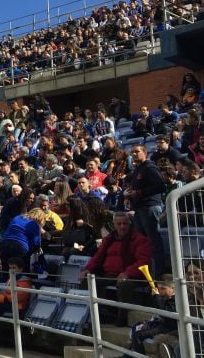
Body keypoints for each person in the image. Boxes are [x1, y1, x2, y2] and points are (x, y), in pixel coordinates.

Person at [79, 212, 151, 326]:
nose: (122, 226)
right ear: (114, 225)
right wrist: (87, 269)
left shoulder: (139, 239)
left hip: (132, 277)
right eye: (119, 224)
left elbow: (143, 261)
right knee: (87, 280)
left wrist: (127, 273)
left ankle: (121, 319)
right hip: (108, 274)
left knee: (124, 285)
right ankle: (92, 316)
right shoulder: (109, 239)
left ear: (129, 224)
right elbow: (97, 256)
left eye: (125, 223)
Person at [125, 145, 166, 278]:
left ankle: (158, 274)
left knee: (154, 243)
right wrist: (130, 197)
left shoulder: (149, 167)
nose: (134, 154)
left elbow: (161, 186)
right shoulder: (138, 169)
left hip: (150, 208)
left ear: (145, 153)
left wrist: (139, 192)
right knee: (143, 244)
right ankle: (146, 273)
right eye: (132, 152)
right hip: (140, 209)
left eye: (137, 151)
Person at [127, 274, 178, 356]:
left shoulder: (175, 300)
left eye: (163, 289)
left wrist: (156, 297)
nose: (160, 291)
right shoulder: (166, 298)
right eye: (159, 289)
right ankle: (128, 355)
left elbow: (165, 312)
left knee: (137, 335)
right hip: (163, 325)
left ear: (173, 288)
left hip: (169, 328)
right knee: (137, 329)